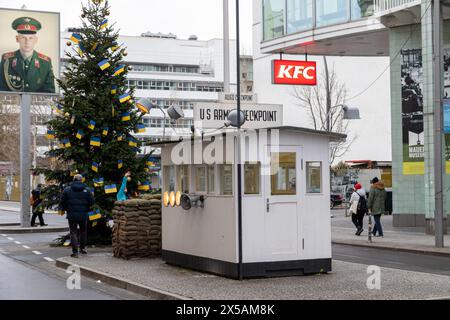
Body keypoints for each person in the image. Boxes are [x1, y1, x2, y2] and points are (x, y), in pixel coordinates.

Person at [0, 17, 55, 93]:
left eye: (31, 38)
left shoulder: (45, 62)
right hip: (13, 104)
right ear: (17, 39)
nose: (27, 42)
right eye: (23, 38)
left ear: (36, 40)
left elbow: (49, 93)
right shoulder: (6, 59)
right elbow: (2, 90)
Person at [60, 174, 94, 258]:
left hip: (71, 214)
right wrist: (87, 208)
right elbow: (92, 202)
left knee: (73, 232)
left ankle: (75, 252)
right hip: (83, 214)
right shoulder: (87, 190)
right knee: (83, 231)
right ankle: (83, 248)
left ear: (73, 179)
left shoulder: (67, 190)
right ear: (82, 180)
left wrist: (67, 209)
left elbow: (62, 202)